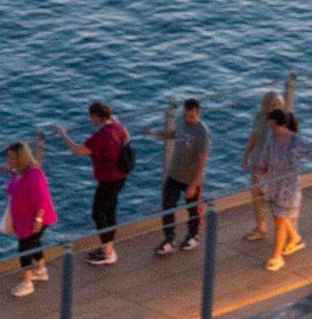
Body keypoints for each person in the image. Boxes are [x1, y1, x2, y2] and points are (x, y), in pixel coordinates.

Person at [57, 101, 133, 265]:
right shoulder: (116, 127)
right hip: (120, 176)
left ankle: (107, 253)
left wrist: (64, 134)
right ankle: (108, 247)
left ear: (96, 117)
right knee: (110, 212)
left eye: (91, 116)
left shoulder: (100, 137)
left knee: (98, 213)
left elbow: (77, 151)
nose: (90, 120)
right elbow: (127, 137)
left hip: (108, 180)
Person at [256, 108, 312, 272]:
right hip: (274, 184)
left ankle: (277, 257)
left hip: (289, 188)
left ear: (283, 125)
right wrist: (259, 176)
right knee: (279, 218)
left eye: (274, 127)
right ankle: (295, 238)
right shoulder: (272, 138)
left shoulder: (295, 142)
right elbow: (264, 156)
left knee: (280, 220)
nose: (271, 130)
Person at [147, 97, 210, 256]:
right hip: (175, 173)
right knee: (167, 205)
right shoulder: (182, 122)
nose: (187, 119)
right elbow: (174, 134)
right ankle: (169, 239)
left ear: (198, 113)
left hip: (191, 178)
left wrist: (194, 184)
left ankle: (193, 234)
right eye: (186, 115)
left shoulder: (202, 134)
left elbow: (202, 160)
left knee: (192, 209)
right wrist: (155, 133)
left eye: (191, 116)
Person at [3, 141, 58, 297]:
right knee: (34, 243)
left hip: (34, 219)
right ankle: (40, 270)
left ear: (22, 158)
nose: (10, 161)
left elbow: (42, 198)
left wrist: (38, 220)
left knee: (24, 249)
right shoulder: (19, 171)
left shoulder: (33, 175)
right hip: (24, 219)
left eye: (12, 158)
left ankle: (27, 283)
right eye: (9, 158)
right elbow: (16, 180)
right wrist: (10, 170)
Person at [241, 89, 286, 240]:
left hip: (271, 166)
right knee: (256, 194)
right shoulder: (260, 117)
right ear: (266, 105)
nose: (275, 108)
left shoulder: (282, 122)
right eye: (273, 105)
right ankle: (261, 227)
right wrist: (246, 155)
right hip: (257, 161)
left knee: (273, 198)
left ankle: (286, 230)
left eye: (278, 105)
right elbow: (253, 136)